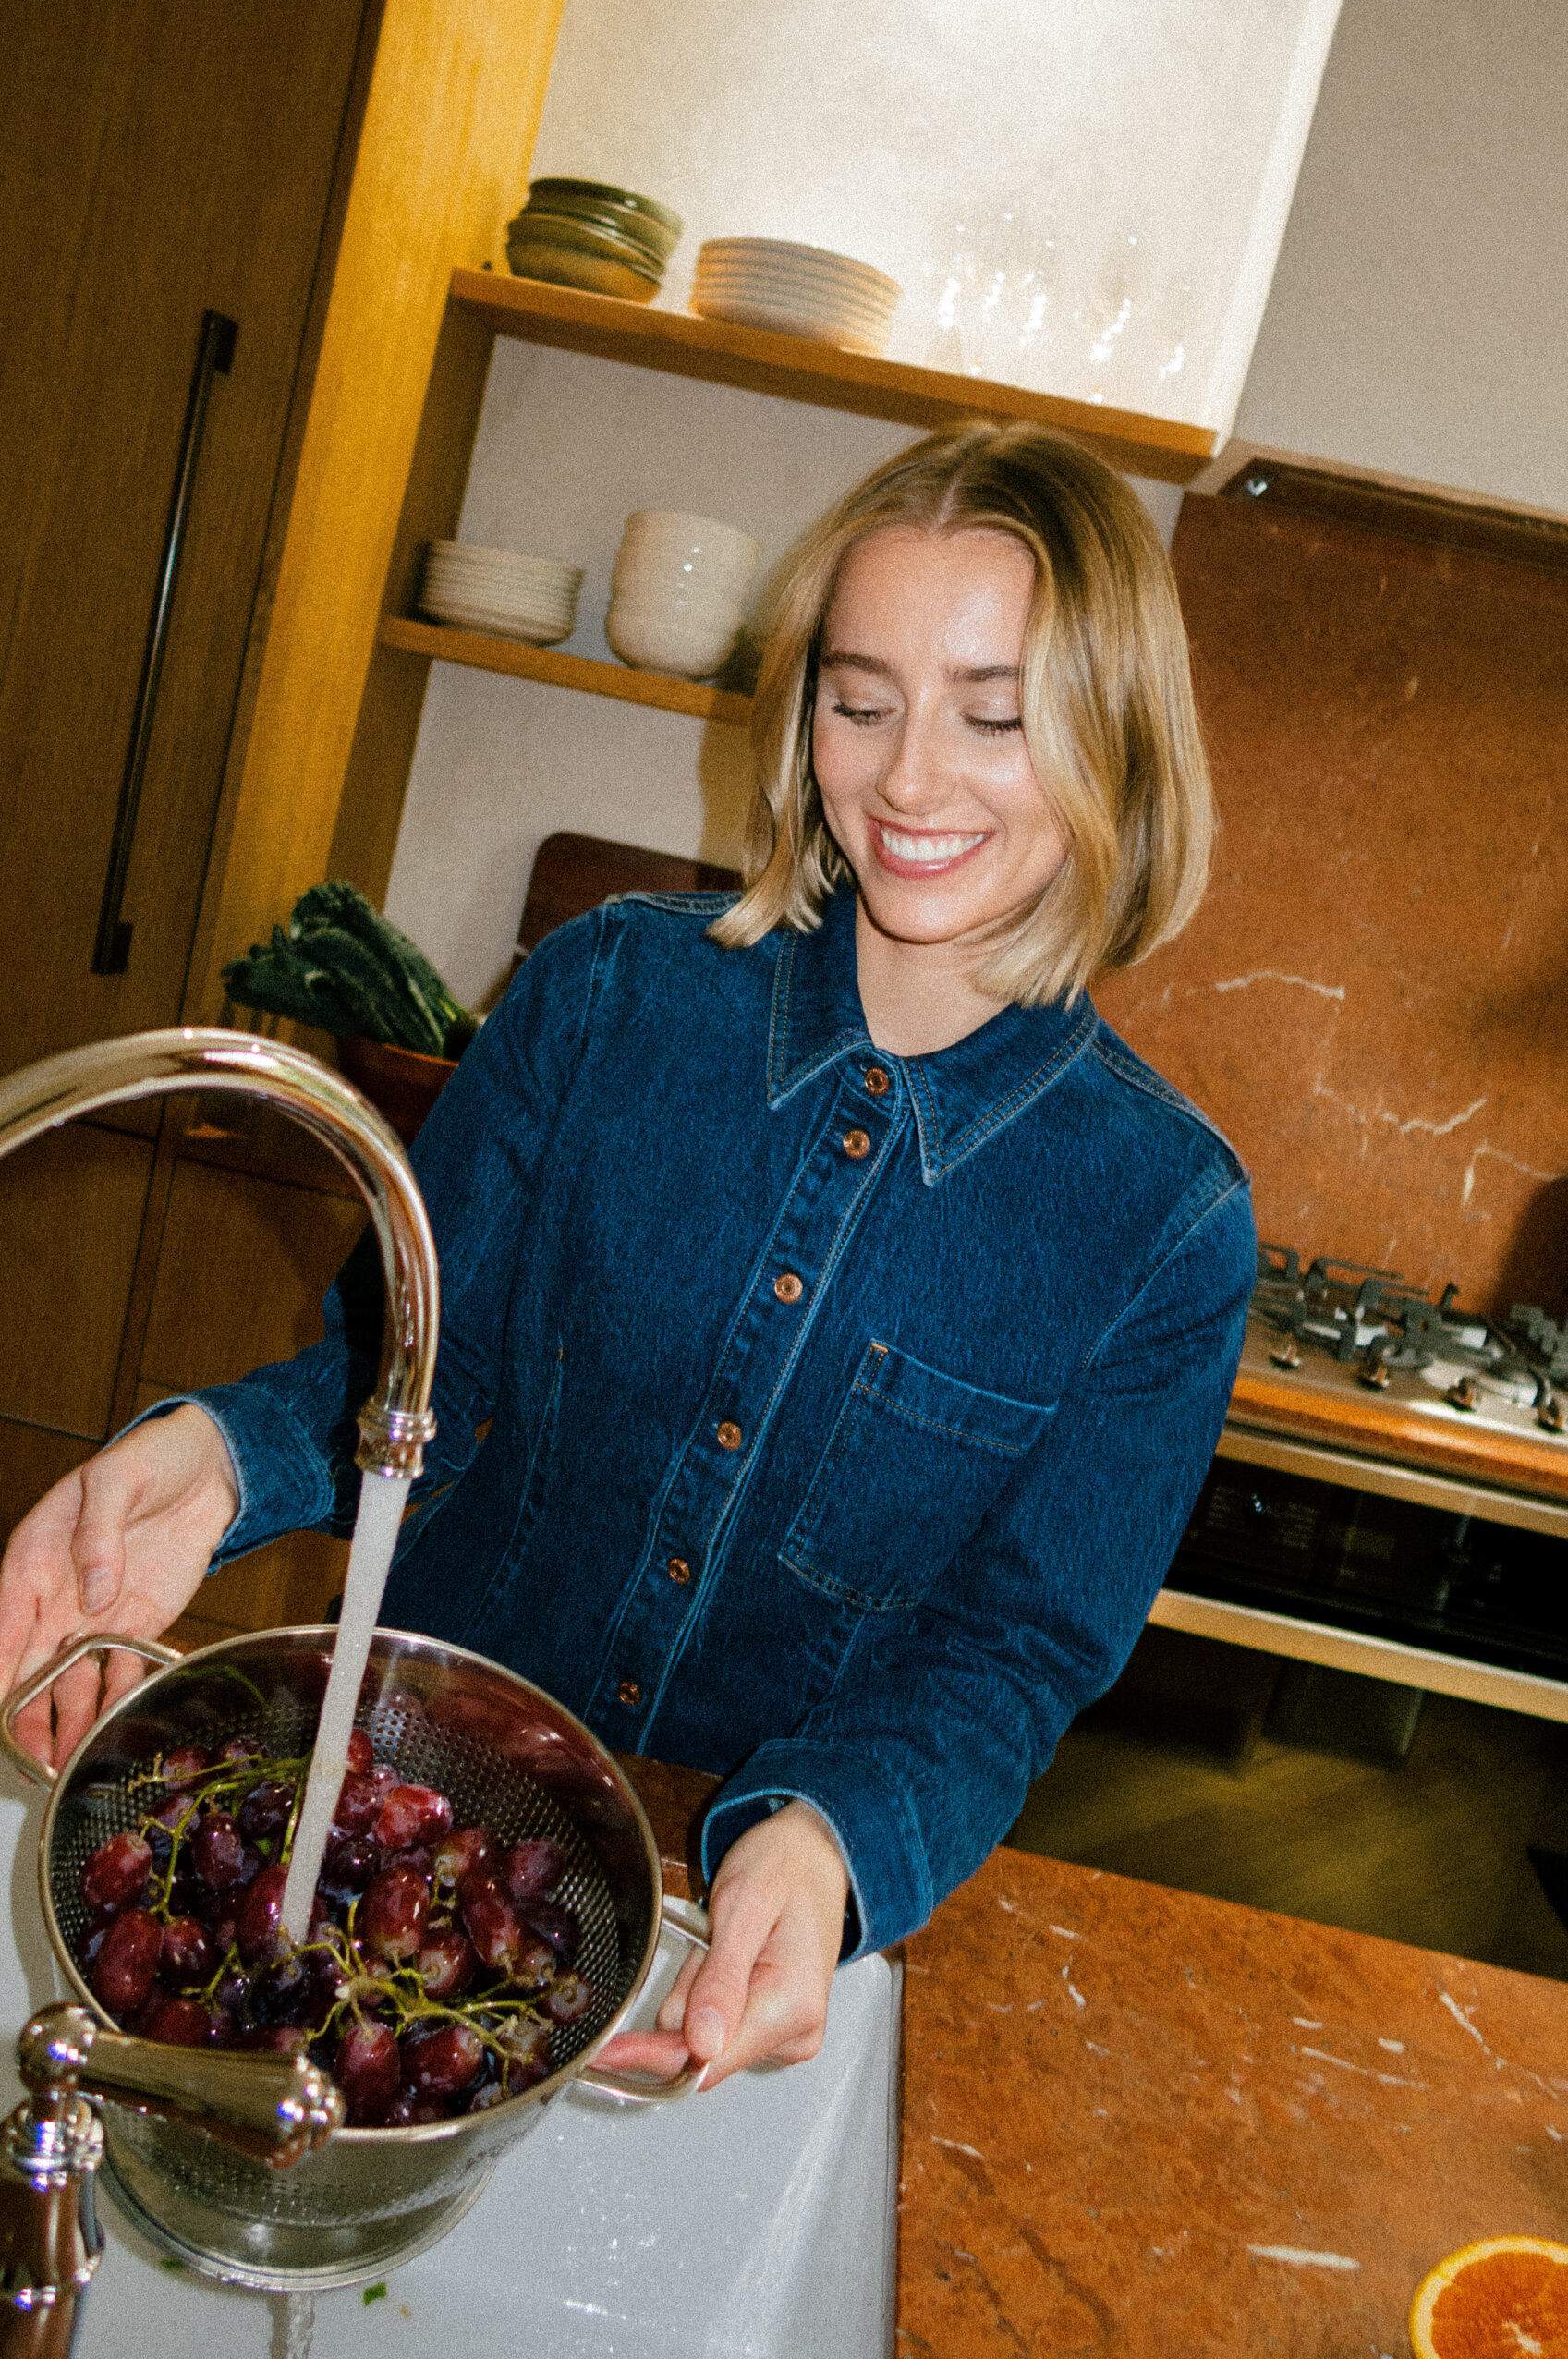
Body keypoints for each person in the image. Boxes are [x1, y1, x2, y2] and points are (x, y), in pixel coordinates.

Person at [0, 420, 1256, 2090]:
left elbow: (1013, 1649)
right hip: (404, 1827)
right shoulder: (609, 997)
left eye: (997, 715)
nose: (908, 781)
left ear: (1120, 740)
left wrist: (830, 1840)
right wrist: (216, 1464)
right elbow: (405, 1376)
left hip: (732, 1928)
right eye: (860, 700)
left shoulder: (1163, 1221)